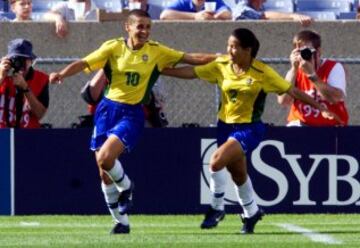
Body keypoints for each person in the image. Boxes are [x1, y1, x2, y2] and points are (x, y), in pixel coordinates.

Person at [49, 9, 218, 234]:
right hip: (106, 110)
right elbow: (84, 62)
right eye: (140, 26)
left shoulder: (156, 51)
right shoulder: (113, 47)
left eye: (148, 27)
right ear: (127, 27)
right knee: (103, 170)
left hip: (131, 113)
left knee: (105, 157)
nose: (144, 31)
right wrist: (62, 73)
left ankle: (127, 187)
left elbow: (190, 58)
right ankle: (121, 222)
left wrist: (220, 57)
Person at [161, 28, 340, 234]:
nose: (229, 50)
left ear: (248, 50)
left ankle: (217, 207)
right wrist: (162, 70)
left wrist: (322, 108)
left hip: (249, 128)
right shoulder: (222, 66)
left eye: (234, 46)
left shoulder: (262, 72)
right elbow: (192, 72)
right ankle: (251, 212)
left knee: (216, 160)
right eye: (228, 45)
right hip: (224, 126)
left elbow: (292, 91)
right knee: (238, 173)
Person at [277, 30, 348, 126]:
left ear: (318, 52)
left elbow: (334, 98)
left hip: (330, 124)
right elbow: (283, 101)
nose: (305, 55)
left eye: (308, 51)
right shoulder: (296, 70)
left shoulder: (333, 67)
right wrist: (294, 69)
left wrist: (312, 75)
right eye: (300, 52)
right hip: (301, 123)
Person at [0, 38, 49, 128]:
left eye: (23, 59)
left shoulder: (41, 79)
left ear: (31, 61)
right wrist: (1, 77)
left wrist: (25, 88)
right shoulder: (2, 73)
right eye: (15, 59)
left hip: (27, 134)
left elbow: (40, 114)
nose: (19, 63)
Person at [232, 0, 313, 27]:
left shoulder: (260, 7)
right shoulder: (241, 8)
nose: (264, 1)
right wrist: (293, 16)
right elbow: (263, 16)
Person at [160, 0, 232, 20]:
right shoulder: (183, 2)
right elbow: (164, 15)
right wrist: (195, 16)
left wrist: (214, 17)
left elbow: (227, 14)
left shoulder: (214, 1)